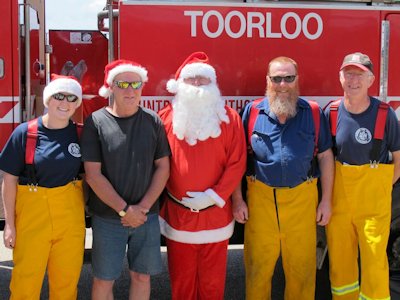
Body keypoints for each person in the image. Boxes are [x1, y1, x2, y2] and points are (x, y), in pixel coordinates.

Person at [232, 56, 335, 300]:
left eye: (289, 78)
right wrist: (237, 199)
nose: (283, 84)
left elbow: (326, 157)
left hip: (303, 200)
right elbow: (237, 159)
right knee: (257, 272)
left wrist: (326, 201)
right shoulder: (252, 112)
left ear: (297, 80)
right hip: (261, 202)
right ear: (268, 81)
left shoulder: (312, 112)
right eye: (276, 78)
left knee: (302, 274)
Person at [158, 51, 246, 300]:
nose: (197, 84)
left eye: (203, 79)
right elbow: (157, 165)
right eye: (192, 79)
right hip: (179, 218)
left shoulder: (230, 118)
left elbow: (237, 162)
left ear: (213, 83)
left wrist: (214, 196)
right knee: (182, 286)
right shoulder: (165, 118)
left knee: (212, 286)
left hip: (216, 217)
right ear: (180, 84)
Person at [80, 59, 170, 300]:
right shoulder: (96, 122)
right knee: (103, 279)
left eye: (135, 83)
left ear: (142, 87)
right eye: (122, 83)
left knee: (142, 276)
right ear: (111, 87)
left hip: (145, 217)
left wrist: (142, 208)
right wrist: (124, 210)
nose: (130, 90)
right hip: (108, 218)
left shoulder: (153, 121)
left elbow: (163, 167)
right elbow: (93, 175)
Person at [0, 74, 85, 299]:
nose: (64, 103)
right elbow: (9, 181)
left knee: (66, 283)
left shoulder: (81, 134)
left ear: (77, 103)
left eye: (71, 98)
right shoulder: (25, 133)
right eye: (59, 96)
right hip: (32, 218)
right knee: (25, 283)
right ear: (48, 99)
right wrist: (10, 224)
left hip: (70, 219)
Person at [324, 52, 400, 300]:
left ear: (371, 80)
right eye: (348, 73)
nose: (353, 80)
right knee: (340, 263)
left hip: (373, 206)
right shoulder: (332, 112)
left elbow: (398, 159)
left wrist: (379, 190)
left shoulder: (385, 114)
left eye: (359, 75)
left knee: (375, 264)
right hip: (340, 204)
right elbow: (325, 159)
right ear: (340, 77)